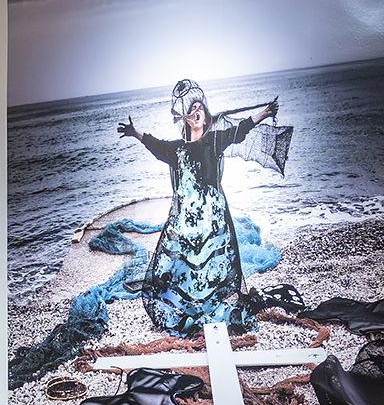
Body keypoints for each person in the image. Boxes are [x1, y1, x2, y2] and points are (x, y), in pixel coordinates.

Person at [117, 79, 278, 332]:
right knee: (187, 261)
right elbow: (155, 145)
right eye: (192, 109)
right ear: (186, 119)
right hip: (188, 218)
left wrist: (265, 113)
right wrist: (135, 132)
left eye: (200, 108)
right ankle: (188, 302)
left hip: (213, 217)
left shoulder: (215, 141)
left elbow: (240, 130)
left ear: (205, 117)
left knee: (212, 261)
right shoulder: (177, 150)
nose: (196, 111)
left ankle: (209, 301)